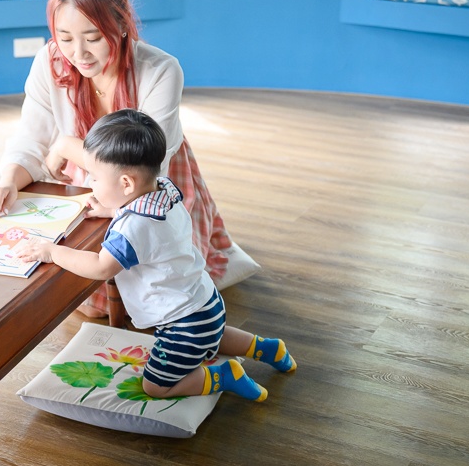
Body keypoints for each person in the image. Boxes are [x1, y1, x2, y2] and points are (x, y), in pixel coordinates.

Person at [0, 0, 241, 317]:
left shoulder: (160, 70)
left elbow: (145, 162)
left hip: (147, 183)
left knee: (163, 284)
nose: (77, 54)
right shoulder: (50, 61)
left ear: (121, 25)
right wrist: (9, 180)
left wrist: (67, 146)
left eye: (92, 37)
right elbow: (32, 136)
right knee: (79, 292)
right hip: (92, 181)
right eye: (64, 37)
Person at [15, 110, 296, 401]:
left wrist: (52, 251)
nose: (90, 182)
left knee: (156, 386)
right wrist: (113, 211)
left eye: (94, 177)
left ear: (126, 184)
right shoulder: (165, 191)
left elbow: (101, 267)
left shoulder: (131, 230)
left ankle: (223, 376)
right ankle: (268, 348)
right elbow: (149, 226)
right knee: (214, 335)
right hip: (204, 302)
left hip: (181, 325)